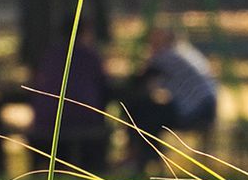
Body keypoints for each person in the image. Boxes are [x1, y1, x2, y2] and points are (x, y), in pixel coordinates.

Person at [121, 25, 218, 170]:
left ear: (165, 40)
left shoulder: (167, 56)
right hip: (206, 108)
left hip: (194, 111)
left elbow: (139, 82)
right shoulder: (185, 52)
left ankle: (144, 160)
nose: (150, 45)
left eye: (154, 41)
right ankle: (148, 159)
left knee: (141, 113)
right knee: (148, 112)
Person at [26, 21, 111, 170]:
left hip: (46, 123)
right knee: (95, 127)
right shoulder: (90, 56)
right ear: (84, 32)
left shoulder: (49, 56)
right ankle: (95, 169)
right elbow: (103, 88)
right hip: (83, 122)